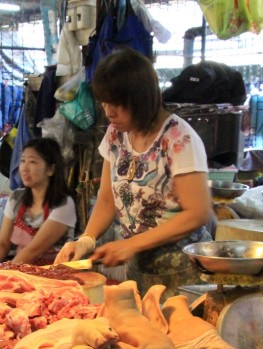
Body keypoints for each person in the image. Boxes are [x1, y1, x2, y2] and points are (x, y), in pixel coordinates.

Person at [55, 47, 213, 296]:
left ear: (141, 97)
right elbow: (108, 198)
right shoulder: (115, 134)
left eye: (117, 103)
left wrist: (131, 244)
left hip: (184, 271)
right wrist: (87, 239)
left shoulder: (178, 138)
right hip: (139, 266)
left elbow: (198, 213)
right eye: (104, 102)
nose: (108, 112)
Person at [0, 137, 77, 265]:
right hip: (21, 271)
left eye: (32, 162)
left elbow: (34, 250)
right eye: (23, 161)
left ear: (50, 169)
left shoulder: (64, 204)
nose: (24, 168)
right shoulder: (16, 198)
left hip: (54, 277)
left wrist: (5, 274)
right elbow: (2, 243)